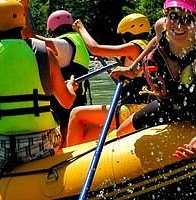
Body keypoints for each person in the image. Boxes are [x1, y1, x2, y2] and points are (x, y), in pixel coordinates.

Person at [0, 0, 78, 170]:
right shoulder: (45, 53)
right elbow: (67, 101)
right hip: (42, 147)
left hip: (2, 150)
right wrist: (70, 88)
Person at [109, 0, 196, 161]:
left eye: (188, 19)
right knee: (121, 132)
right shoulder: (161, 27)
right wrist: (133, 69)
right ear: (166, 14)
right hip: (167, 101)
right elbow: (156, 43)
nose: (178, 25)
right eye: (174, 16)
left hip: (193, 105)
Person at [65, 13, 153, 145]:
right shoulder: (146, 48)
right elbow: (107, 55)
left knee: (76, 114)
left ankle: (68, 159)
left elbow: (95, 49)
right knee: (88, 131)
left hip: (132, 110)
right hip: (136, 108)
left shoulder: (135, 47)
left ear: (128, 34)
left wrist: (81, 28)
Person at [42, 9, 91, 128]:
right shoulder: (78, 40)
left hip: (65, 106)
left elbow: (32, 40)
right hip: (78, 99)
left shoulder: (62, 44)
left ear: (52, 29)